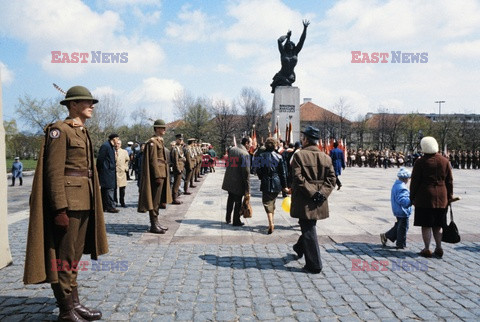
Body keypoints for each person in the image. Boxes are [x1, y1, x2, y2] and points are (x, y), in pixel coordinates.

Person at [23, 85, 108, 321]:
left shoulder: (81, 131)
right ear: (72, 105)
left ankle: (75, 303)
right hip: (69, 204)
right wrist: (59, 208)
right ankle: (65, 310)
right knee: (64, 257)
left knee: (74, 257)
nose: (91, 106)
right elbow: (53, 173)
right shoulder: (59, 131)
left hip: (84, 201)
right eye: (86, 102)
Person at [290, 126, 336, 274]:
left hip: (305, 198)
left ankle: (314, 264)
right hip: (318, 199)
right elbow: (332, 179)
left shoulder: (299, 155)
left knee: (309, 229)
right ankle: (299, 247)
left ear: (306, 139)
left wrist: (312, 193)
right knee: (309, 225)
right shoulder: (326, 157)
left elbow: (298, 178)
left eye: (303, 138)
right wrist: (321, 193)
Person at [410, 136, 453, 258]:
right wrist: (449, 196)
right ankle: (439, 247)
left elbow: (415, 182)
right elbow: (449, 181)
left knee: (426, 224)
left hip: (425, 197)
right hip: (442, 197)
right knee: (438, 224)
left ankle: (427, 248)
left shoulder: (420, 162)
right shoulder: (445, 161)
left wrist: (411, 197)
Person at [138, 119, 172, 234]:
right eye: (162, 128)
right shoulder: (152, 142)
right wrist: (157, 175)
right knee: (155, 200)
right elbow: (153, 161)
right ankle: (153, 224)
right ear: (157, 128)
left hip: (162, 173)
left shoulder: (159, 141)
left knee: (158, 200)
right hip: (158, 174)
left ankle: (156, 222)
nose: (164, 130)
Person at [255, 137, 288, 234]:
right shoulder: (279, 157)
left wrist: (261, 177)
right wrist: (284, 186)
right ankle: (272, 221)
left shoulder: (260, 156)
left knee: (266, 203)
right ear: (275, 146)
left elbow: (257, 170)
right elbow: (283, 173)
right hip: (276, 182)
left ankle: (271, 223)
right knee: (272, 203)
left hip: (266, 181)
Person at [270, 19, 310, 93]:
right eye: (289, 44)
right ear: (286, 46)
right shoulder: (283, 53)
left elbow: (302, 40)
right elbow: (279, 40)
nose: (290, 46)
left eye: (292, 44)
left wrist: (305, 29)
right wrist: (287, 36)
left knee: (289, 85)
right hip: (282, 75)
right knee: (285, 85)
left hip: (291, 76)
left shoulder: (295, 52)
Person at [222, 137, 252, 226]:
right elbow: (246, 173)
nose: (251, 145)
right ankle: (236, 220)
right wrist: (248, 189)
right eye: (250, 143)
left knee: (230, 199)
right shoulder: (245, 154)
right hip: (238, 181)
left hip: (229, 179)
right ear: (246, 143)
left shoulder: (232, 150)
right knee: (238, 201)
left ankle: (228, 218)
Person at [380, 167, 412, 249]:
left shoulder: (397, 185)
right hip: (402, 211)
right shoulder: (402, 188)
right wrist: (411, 201)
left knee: (399, 226)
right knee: (403, 228)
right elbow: (403, 201)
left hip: (398, 210)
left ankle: (386, 236)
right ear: (405, 178)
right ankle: (401, 243)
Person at [97, 133, 119, 213]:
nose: (118, 141)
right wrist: (100, 170)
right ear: (114, 139)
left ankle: (105, 206)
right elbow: (100, 159)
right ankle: (110, 206)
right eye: (117, 139)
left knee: (109, 189)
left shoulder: (111, 147)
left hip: (111, 172)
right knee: (108, 189)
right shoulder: (105, 146)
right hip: (106, 172)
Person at [171, 134, 186, 204]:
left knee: (178, 183)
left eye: (181, 139)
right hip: (178, 168)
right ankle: (174, 198)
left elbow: (181, 157)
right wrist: (178, 168)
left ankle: (176, 196)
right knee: (176, 184)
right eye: (179, 139)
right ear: (176, 139)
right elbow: (175, 160)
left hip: (181, 167)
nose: (181, 141)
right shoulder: (175, 148)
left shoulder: (180, 147)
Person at [114, 139, 130, 208]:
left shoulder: (124, 152)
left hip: (122, 172)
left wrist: (125, 168)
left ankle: (122, 201)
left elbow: (127, 160)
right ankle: (115, 202)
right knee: (114, 188)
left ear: (120, 144)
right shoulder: (112, 151)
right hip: (114, 172)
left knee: (122, 188)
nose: (117, 145)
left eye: (118, 144)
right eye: (116, 143)